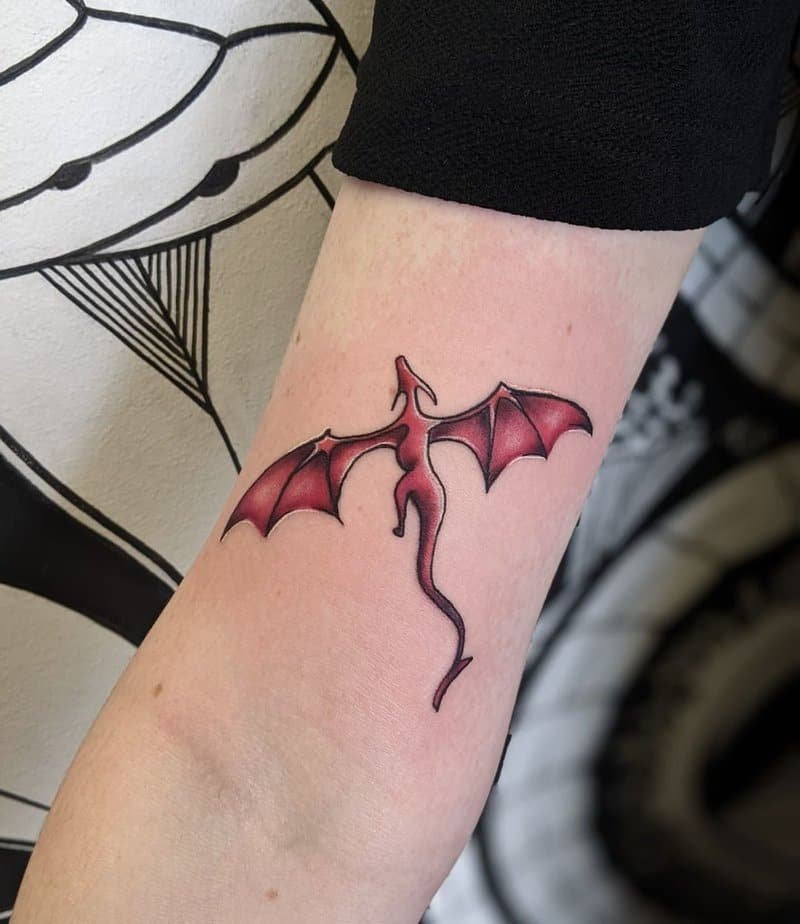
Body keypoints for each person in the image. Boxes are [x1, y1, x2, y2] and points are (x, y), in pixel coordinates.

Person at [12, 3, 799, 921]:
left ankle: (449, 635)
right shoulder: (375, 441)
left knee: (424, 571)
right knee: (422, 561)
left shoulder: (466, 417)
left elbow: (294, 769)